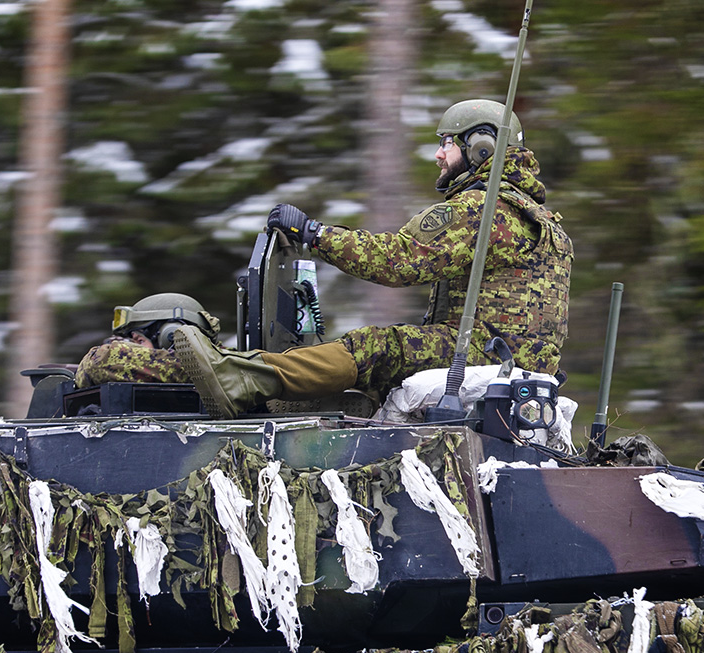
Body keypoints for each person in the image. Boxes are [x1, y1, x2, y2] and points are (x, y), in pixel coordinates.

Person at [173, 99, 573, 419]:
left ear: (481, 146)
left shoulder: (484, 210)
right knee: (393, 357)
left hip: (486, 353)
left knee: (378, 346)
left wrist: (314, 234)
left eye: (447, 143)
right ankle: (309, 398)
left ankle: (242, 379)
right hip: (506, 357)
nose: (438, 154)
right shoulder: (533, 215)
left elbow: (397, 260)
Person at [74, 293, 220, 388]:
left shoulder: (202, 368)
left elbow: (98, 362)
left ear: (170, 336)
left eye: (139, 341)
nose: (134, 348)